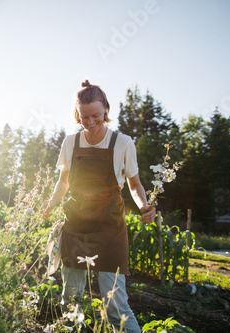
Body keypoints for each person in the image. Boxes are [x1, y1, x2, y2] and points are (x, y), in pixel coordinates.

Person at [43, 80, 156, 333]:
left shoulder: (123, 143)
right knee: (70, 299)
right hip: (76, 224)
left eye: (96, 115)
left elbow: (135, 184)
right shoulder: (70, 143)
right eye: (84, 117)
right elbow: (63, 183)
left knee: (115, 304)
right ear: (77, 114)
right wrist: (50, 205)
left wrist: (144, 206)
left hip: (109, 227)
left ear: (106, 109)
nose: (91, 121)